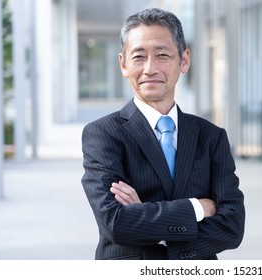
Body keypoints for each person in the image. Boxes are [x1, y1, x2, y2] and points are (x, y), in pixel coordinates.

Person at [81, 7, 245, 260]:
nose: (150, 69)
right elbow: (116, 224)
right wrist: (198, 208)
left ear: (184, 60)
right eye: (138, 57)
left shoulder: (212, 137)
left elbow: (232, 228)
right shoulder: (102, 134)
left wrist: (145, 217)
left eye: (162, 55)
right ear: (123, 64)